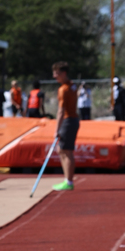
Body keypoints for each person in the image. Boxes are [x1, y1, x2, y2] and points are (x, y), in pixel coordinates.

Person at [51, 61, 78, 192]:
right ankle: (67, 179)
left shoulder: (63, 89)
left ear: (64, 73)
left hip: (68, 120)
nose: (55, 77)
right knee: (61, 150)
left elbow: (61, 110)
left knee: (66, 151)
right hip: (73, 120)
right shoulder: (72, 86)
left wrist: (57, 129)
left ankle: (69, 181)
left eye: (57, 74)